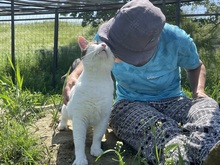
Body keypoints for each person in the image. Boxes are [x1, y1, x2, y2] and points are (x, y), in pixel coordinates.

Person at [63, 0, 220, 164]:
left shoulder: (176, 39)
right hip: (129, 104)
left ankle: (209, 152)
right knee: (159, 130)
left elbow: (196, 66)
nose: (111, 50)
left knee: (208, 109)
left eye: (122, 51)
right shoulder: (108, 36)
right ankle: (180, 158)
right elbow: (90, 56)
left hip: (173, 100)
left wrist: (199, 91)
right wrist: (74, 75)